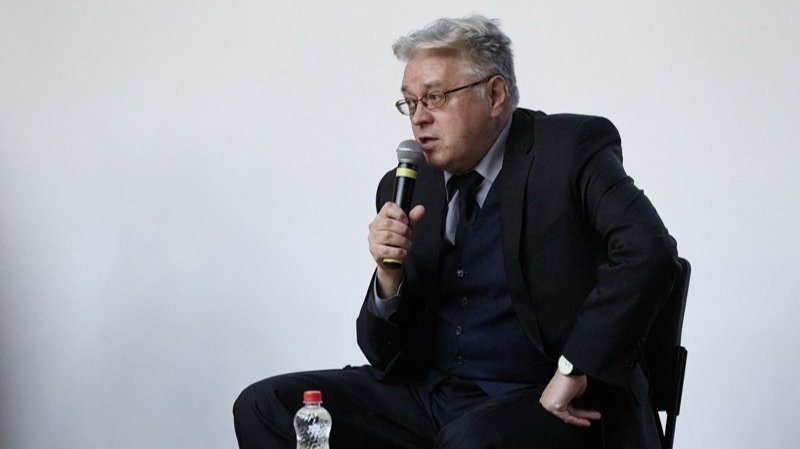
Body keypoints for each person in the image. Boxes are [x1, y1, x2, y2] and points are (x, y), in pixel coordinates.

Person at [234, 15, 679, 449]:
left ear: (495, 94)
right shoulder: (406, 185)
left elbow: (649, 250)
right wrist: (389, 275)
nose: (419, 118)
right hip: (431, 397)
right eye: (410, 102)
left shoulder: (569, 149)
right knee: (265, 406)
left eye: (435, 97)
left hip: (542, 398)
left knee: (468, 441)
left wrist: (572, 368)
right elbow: (383, 355)